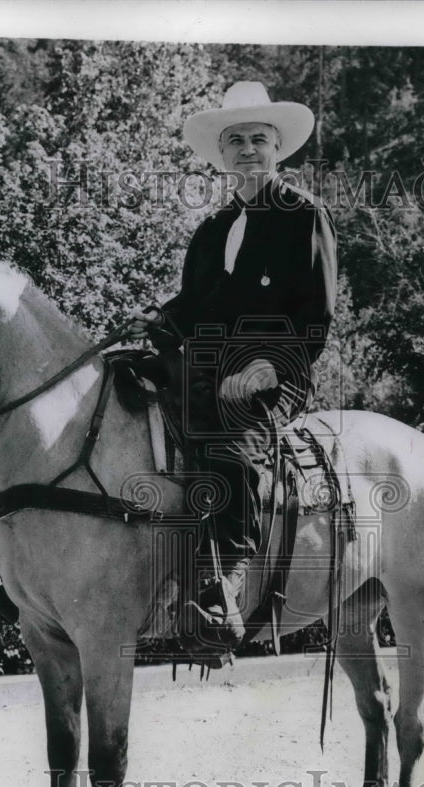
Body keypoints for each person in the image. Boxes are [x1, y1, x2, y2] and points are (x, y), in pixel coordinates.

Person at [129, 80, 337, 649]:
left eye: (259, 140)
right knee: (122, 398)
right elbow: (191, 309)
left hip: (276, 375)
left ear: (278, 149)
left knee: (230, 441)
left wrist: (271, 364)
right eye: (237, 141)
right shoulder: (212, 229)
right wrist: (149, 326)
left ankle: (227, 580)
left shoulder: (304, 216)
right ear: (222, 155)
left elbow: (315, 314)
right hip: (204, 369)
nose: (248, 150)